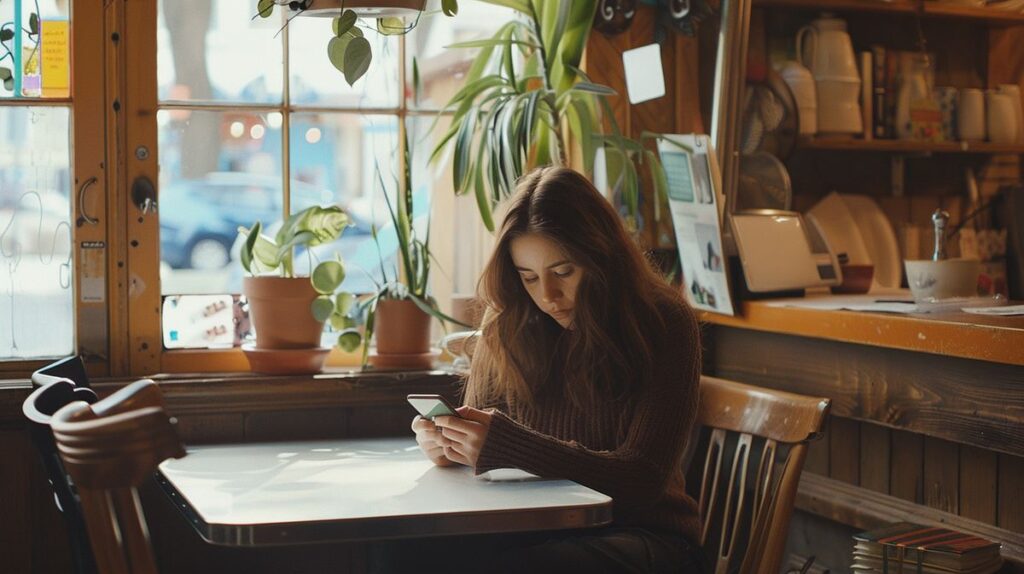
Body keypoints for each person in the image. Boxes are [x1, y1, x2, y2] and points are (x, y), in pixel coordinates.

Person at [409, 166, 704, 573]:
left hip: (643, 536)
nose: (547, 296)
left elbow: (642, 480)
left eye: (564, 272)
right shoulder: (510, 325)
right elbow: (485, 443)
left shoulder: (663, 321)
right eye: (528, 277)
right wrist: (451, 446)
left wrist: (507, 447)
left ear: (602, 259)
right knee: (406, 553)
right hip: (537, 529)